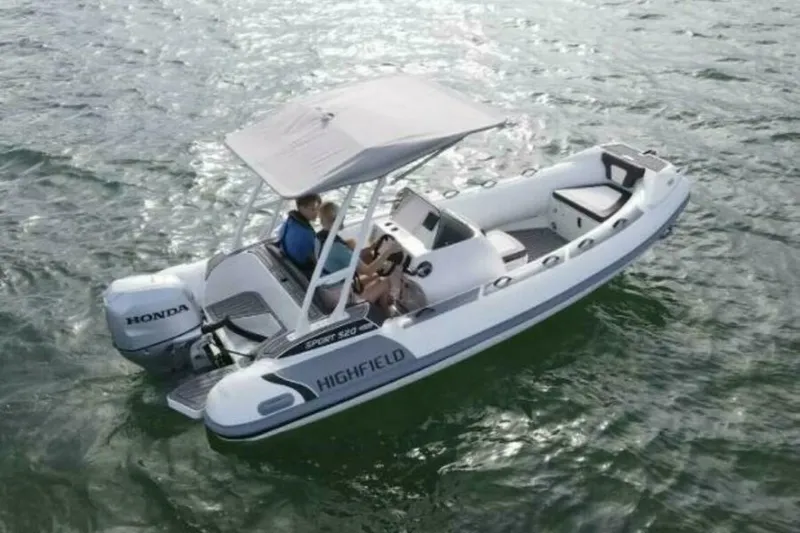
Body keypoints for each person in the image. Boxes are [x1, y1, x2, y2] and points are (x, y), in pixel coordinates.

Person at [315, 201, 399, 316]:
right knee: (385, 282)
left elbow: (348, 256)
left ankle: (381, 307)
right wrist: (388, 252)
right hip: (340, 300)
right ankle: (386, 316)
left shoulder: (319, 238)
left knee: (378, 276)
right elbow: (368, 271)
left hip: (327, 291)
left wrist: (370, 249)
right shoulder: (337, 248)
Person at [277, 193, 322, 276]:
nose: (317, 213)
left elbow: (279, 236)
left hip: (289, 260)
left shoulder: (290, 221)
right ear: (301, 208)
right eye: (313, 209)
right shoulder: (307, 235)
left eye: (318, 209)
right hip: (304, 271)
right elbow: (317, 260)